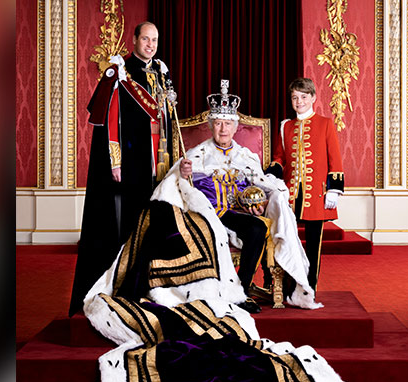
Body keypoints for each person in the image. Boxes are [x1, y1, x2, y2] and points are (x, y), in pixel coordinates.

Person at [175, 80, 320, 311]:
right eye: (218, 123)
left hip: (234, 213)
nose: (223, 129)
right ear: (211, 126)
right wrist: (184, 174)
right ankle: (209, 289)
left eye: (228, 124)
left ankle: (240, 290)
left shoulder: (246, 156)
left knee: (258, 228)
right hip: (206, 213)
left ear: (235, 127)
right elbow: (178, 185)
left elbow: (261, 187)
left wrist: (259, 204)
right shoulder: (197, 154)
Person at [69, 21, 175, 316]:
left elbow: (166, 118)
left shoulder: (161, 72)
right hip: (132, 159)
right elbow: (111, 120)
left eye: (155, 40)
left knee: (156, 223)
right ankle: (128, 285)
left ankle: (152, 282)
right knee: (132, 224)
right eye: (146, 39)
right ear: (135, 39)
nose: (151, 45)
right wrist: (115, 161)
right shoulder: (120, 71)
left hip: (160, 158)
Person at [266, 77, 344, 291]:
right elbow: (279, 157)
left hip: (317, 195)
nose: (299, 101)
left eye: (303, 97)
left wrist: (334, 189)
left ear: (313, 98)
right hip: (290, 194)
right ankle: (289, 285)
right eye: (294, 97)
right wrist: (272, 173)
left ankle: (310, 286)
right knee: (289, 241)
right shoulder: (286, 126)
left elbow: (334, 158)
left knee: (313, 245)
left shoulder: (325, 123)